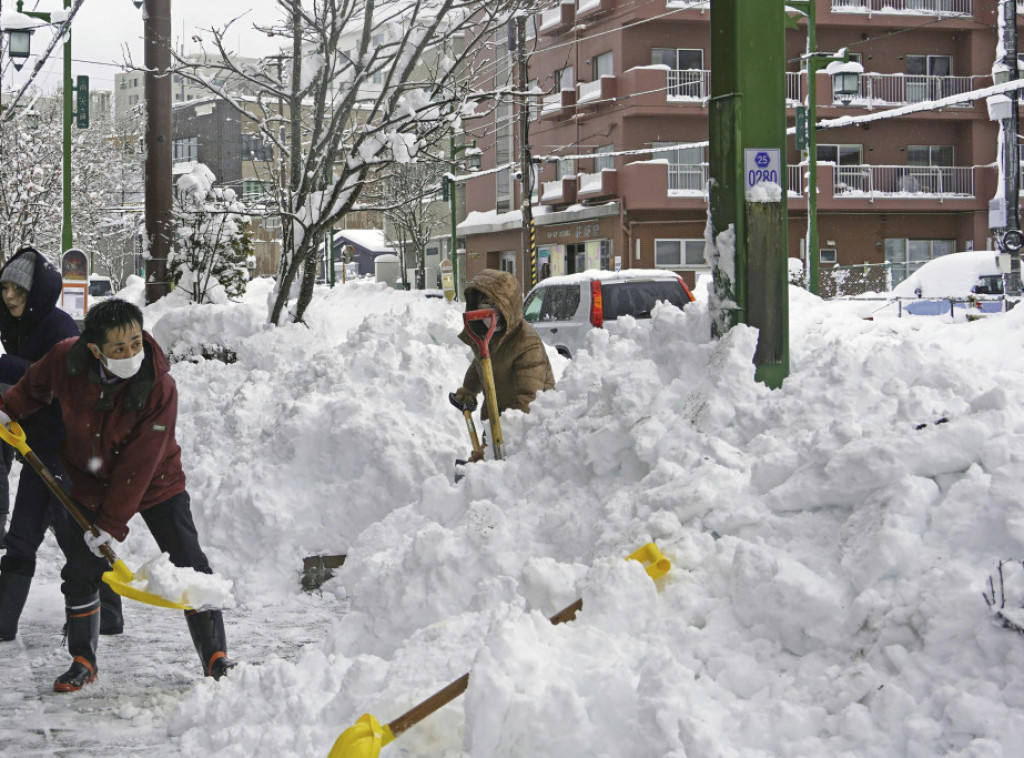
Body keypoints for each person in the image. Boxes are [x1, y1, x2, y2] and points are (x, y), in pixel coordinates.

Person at [0, 299, 233, 691]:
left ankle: (216, 656)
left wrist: (110, 524)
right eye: (118, 348)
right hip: (89, 477)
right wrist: (8, 409)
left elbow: (140, 463)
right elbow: (35, 387)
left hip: (157, 480)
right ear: (94, 349)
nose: (131, 354)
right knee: (81, 568)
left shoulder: (158, 383)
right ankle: (82, 659)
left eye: (135, 342)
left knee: (189, 562)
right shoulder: (65, 359)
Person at [0, 248, 124, 642]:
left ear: (35, 292)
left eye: (18, 289)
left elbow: (71, 388)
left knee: (76, 537)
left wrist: (11, 380)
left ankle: (106, 614)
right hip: (38, 448)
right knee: (23, 536)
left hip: (70, 450)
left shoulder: (59, 328)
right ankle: (3, 623)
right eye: (4, 288)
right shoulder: (13, 325)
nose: (10, 297)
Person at [451, 269, 555, 454]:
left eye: (496, 306)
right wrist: (468, 390)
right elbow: (480, 365)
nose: (491, 313)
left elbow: (530, 398)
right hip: (495, 416)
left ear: (509, 308)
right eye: (484, 305)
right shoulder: (489, 337)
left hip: (527, 429)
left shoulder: (526, 343)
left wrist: (508, 432)